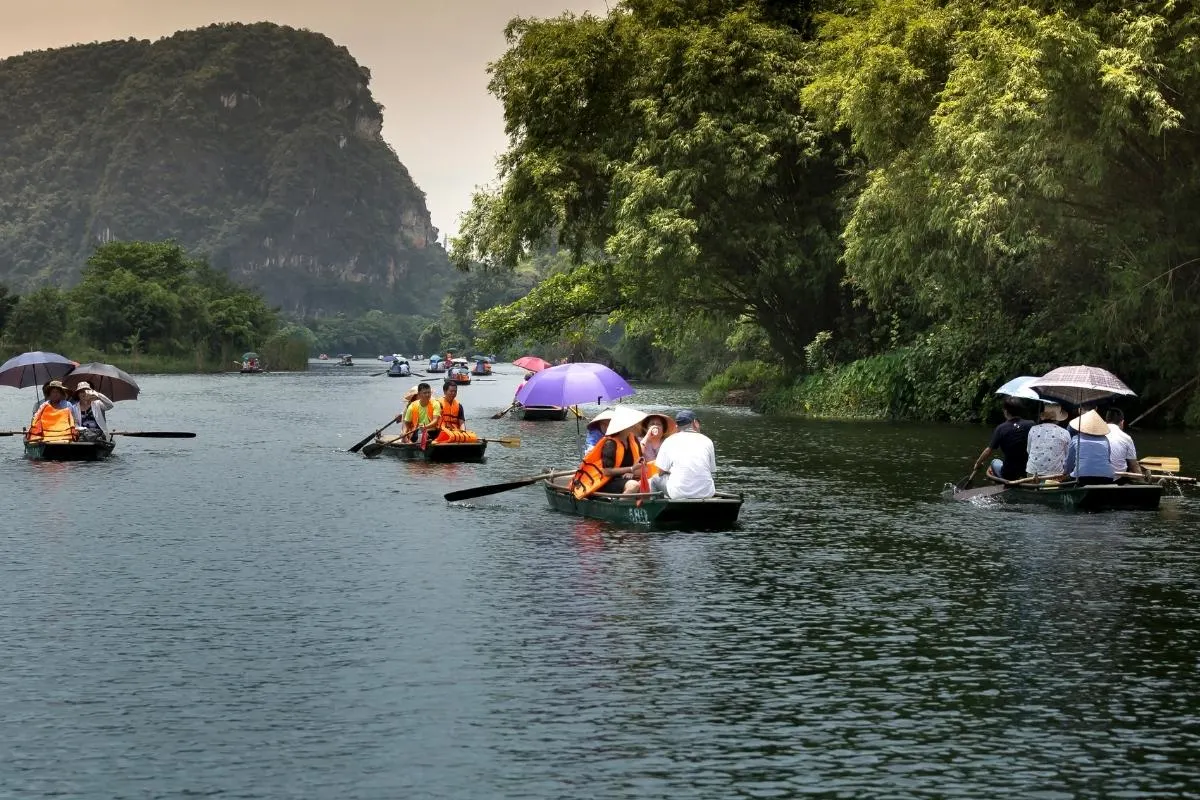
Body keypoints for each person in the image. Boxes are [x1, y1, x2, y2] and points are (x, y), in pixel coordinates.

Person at [569, 407, 646, 499]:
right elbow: (606, 471)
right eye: (632, 424)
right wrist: (630, 469)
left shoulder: (633, 440)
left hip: (624, 478)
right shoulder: (610, 444)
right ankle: (618, 508)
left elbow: (640, 465)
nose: (636, 425)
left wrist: (633, 472)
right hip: (605, 481)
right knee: (634, 485)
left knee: (648, 483)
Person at [647, 409, 716, 499]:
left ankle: (656, 509)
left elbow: (660, 472)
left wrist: (671, 471)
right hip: (706, 493)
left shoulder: (670, 440)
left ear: (677, 427)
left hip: (679, 493)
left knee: (655, 479)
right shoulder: (707, 441)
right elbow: (711, 469)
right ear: (695, 423)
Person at [973, 397, 1034, 481]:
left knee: (994, 462)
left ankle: (1001, 482)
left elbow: (988, 450)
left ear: (1005, 411)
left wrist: (978, 463)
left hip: (1009, 474)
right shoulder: (1031, 424)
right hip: (1028, 471)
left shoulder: (1001, 428)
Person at [1064, 409, 1116, 484]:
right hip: (1107, 477)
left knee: (1065, 483)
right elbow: (1108, 459)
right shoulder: (1105, 440)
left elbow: (1069, 461)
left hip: (1081, 477)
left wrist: (1066, 473)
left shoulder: (1076, 439)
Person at [1025, 403, 1070, 477]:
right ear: (1058, 419)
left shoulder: (1033, 429)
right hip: (1055, 475)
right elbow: (1067, 456)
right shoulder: (1065, 432)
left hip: (1033, 472)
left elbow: (1028, 451)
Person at [1105, 408, 1143, 480]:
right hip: (1118, 478)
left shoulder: (1097, 434)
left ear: (1106, 421)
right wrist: (1143, 481)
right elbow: (1134, 465)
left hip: (1099, 476)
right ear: (1122, 422)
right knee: (1131, 465)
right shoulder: (1126, 438)